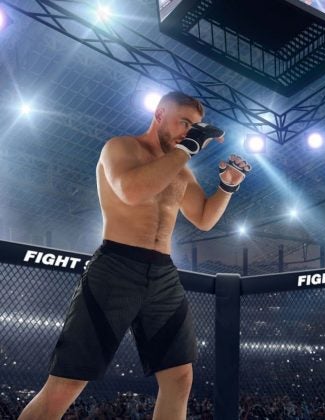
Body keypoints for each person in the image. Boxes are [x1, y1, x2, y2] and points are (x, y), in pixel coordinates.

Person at [18, 91, 251, 420]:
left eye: (196, 127)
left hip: (163, 274)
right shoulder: (121, 148)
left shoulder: (181, 168)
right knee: (67, 383)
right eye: (184, 123)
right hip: (116, 267)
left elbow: (203, 218)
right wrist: (187, 149)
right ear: (159, 114)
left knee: (179, 376)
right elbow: (131, 191)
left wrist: (228, 186)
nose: (190, 132)